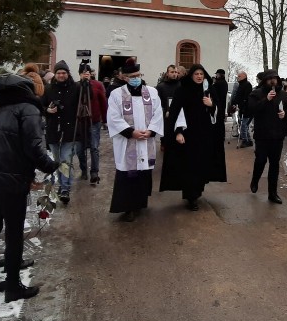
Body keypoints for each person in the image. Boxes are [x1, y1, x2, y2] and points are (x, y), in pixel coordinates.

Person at [0, 74, 59, 302]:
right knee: (13, 232)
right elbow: (34, 146)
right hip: (10, 181)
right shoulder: (26, 109)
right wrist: (51, 165)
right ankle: (12, 285)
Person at [160, 64, 227, 210]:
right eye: (196, 74)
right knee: (189, 166)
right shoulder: (183, 90)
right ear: (191, 75)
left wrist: (212, 105)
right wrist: (178, 131)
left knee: (202, 165)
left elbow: (219, 112)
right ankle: (191, 196)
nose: (199, 76)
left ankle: (197, 192)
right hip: (188, 135)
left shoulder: (209, 90)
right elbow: (177, 112)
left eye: (201, 74)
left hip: (205, 135)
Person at [107, 59, 163, 221]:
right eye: (132, 76)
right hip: (127, 141)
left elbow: (158, 113)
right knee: (128, 174)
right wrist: (130, 132)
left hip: (146, 140)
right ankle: (127, 207)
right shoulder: (116, 94)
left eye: (138, 75)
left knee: (143, 172)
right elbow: (113, 117)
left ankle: (140, 203)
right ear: (124, 77)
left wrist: (151, 130)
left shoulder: (152, 92)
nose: (136, 78)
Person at [245, 69, 287, 203]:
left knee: (274, 164)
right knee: (260, 160)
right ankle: (255, 180)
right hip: (262, 134)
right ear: (265, 80)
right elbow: (251, 110)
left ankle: (272, 193)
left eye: (275, 78)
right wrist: (266, 100)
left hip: (278, 134)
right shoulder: (256, 93)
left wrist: (286, 114)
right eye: (270, 79)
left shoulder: (284, 95)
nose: (273, 81)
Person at [42, 60, 88, 203]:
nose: (61, 75)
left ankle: (64, 189)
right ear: (55, 74)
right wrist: (48, 110)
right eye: (58, 73)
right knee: (57, 161)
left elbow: (87, 97)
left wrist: (86, 82)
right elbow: (40, 106)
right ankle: (63, 183)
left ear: (68, 74)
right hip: (53, 130)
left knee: (66, 160)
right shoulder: (48, 89)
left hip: (70, 130)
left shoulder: (76, 87)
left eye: (64, 73)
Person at [75, 63, 108, 185]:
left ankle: (94, 172)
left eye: (88, 72)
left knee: (94, 147)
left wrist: (105, 120)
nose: (86, 74)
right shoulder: (76, 86)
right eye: (83, 72)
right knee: (80, 149)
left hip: (94, 121)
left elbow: (103, 103)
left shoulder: (98, 85)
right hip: (80, 122)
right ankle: (84, 169)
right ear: (79, 74)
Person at [229, 71, 253, 147]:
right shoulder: (240, 85)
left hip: (246, 109)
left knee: (243, 126)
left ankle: (246, 140)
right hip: (241, 107)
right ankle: (248, 140)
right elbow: (238, 96)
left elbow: (246, 97)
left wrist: (241, 105)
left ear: (244, 76)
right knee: (244, 125)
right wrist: (235, 103)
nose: (237, 78)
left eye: (239, 76)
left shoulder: (247, 85)